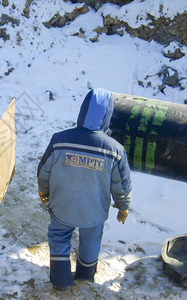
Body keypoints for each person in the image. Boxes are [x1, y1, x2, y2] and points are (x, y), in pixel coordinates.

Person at [37, 88, 132, 290]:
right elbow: (121, 184)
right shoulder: (115, 150)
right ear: (107, 116)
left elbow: (44, 170)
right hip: (93, 212)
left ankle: (61, 282)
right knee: (90, 241)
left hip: (62, 206)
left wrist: (43, 190)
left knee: (58, 238)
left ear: (82, 111)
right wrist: (123, 206)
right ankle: (85, 276)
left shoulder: (59, 139)